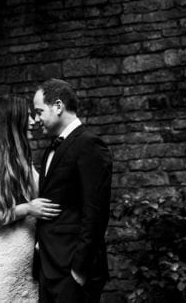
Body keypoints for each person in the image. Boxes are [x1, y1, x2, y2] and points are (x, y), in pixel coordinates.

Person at [0, 94, 62, 302]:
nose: (33, 122)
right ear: (14, 122)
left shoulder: (25, 164)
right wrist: (27, 209)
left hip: (25, 268)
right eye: (28, 116)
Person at [32, 79, 113, 303]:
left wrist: (78, 270)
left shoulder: (89, 144)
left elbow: (95, 212)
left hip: (72, 271)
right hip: (49, 267)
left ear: (58, 106)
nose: (36, 119)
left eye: (39, 111)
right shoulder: (52, 146)